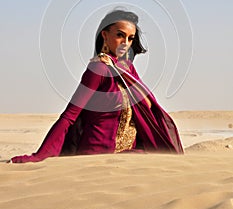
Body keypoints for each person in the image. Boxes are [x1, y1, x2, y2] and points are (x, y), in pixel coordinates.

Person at [9, 9, 183, 163]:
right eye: (120, 35)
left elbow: (147, 108)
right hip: (97, 157)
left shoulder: (127, 69)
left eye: (130, 38)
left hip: (131, 155)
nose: (126, 43)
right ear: (105, 35)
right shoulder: (98, 69)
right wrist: (40, 155)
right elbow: (70, 115)